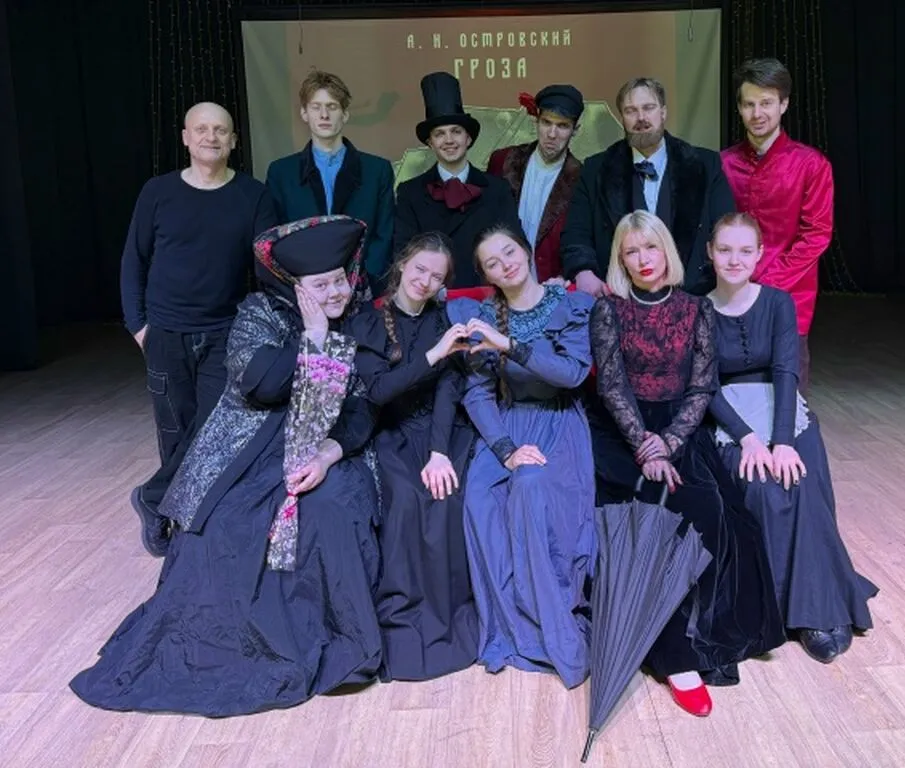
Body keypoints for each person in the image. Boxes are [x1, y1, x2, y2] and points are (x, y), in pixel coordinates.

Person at [71, 216, 384, 716]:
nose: (335, 292)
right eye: (320, 285)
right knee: (226, 525)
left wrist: (330, 451)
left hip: (331, 445)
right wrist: (314, 335)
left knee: (330, 511)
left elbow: (367, 402)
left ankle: (330, 637)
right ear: (295, 286)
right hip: (254, 442)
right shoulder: (260, 313)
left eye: (339, 280)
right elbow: (263, 385)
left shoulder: (363, 316)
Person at [588, 210, 785, 716]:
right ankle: (676, 657)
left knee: (715, 516)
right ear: (621, 260)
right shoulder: (607, 310)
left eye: (650, 247)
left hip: (681, 430)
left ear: (666, 251)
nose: (643, 259)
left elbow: (702, 387)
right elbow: (612, 386)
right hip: (624, 434)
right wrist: (645, 446)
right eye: (631, 251)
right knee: (652, 521)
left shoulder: (697, 308)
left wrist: (670, 442)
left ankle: (703, 636)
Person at [704, 212, 876, 663]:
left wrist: (782, 440)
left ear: (760, 254)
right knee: (761, 488)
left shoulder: (778, 302)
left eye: (746, 250)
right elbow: (704, 386)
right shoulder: (698, 310)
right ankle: (774, 609)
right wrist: (747, 439)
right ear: (710, 253)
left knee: (800, 479)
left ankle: (820, 609)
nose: (735, 260)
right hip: (730, 417)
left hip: (780, 408)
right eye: (725, 249)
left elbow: (785, 371)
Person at [121, 101, 277, 557]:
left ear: (234, 141)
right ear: (186, 138)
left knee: (214, 429)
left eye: (221, 130)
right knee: (175, 431)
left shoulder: (254, 195)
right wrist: (138, 327)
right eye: (202, 129)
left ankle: (154, 498)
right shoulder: (158, 192)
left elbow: (268, 266)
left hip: (224, 331)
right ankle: (173, 522)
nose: (211, 137)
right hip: (164, 332)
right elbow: (134, 260)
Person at [450, 225, 596, 689]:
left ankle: (548, 626)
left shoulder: (570, 306)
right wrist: (506, 451)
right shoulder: (482, 316)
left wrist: (508, 344)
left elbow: (571, 374)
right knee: (480, 499)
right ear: (487, 275)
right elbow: (477, 395)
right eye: (492, 263)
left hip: (557, 424)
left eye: (509, 253)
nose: (505, 265)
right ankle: (511, 629)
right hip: (508, 428)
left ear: (528, 251)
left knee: (532, 491)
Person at [348, 232, 479, 681]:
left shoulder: (443, 320)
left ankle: (451, 619)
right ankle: (406, 629)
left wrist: (440, 451)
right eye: (420, 269)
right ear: (403, 264)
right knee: (405, 501)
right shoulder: (368, 322)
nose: (425, 280)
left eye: (436, 276)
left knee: (448, 497)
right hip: (392, 430)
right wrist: (435, 353)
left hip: (441, 431)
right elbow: (380, 391)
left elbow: (448, 391)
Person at [560, 77, 735, 298]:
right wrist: (583, 271)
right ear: (622, 118)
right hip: (620, 298)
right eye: (631, 111)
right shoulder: (595, 169)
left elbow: (726, 232)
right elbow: (576, 233)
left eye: (648, 108)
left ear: (663, 112)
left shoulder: (705, 164)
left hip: (694, 296)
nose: (641, 117)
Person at [720, 58, 834, 388]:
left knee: (788, 398)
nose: (757, 113)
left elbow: (816, 235)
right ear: (739, 108)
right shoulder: (723, 163)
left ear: (783, 104)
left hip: (789, 299)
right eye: (749, 104)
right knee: (731, 394)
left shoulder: (811, 165)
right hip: (730, 296)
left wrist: (763, 285)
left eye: (766, 103)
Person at [266, 69, 395, 294]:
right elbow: (276, 238)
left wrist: (362, 284)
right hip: (303, 292)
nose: (324, 115)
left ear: (345, 114)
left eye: (332, 107)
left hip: (364, 290)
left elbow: (384, 235)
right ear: (304, 113)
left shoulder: (377, 170)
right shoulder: (281, 172)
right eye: (316, 107)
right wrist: (301, 285)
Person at [394, 72, 523, 288]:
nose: (449, 140)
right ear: (430, 143)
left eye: (456, 131)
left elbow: (515, 244)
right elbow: (404, 253)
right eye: (439, 134)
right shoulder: (410, 192)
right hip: (433, 297)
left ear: (468, 138)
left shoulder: (497, 189)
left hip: (488, 295)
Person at [486, 84, 584, 283]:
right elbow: (486, 224)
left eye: (562, 126)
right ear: (536, 122)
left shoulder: (581, 178)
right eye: (546, 122)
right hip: (501, 284)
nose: (552, 134)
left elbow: (581, 239)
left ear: (575, 130)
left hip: (552, 287)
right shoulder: (503, 161)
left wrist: (564, 277)